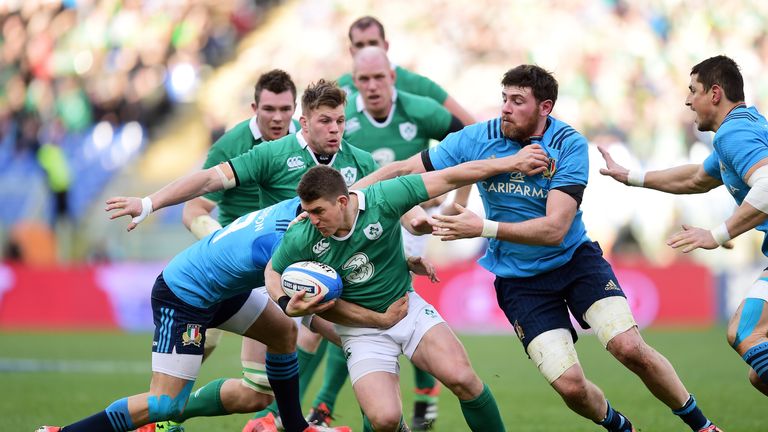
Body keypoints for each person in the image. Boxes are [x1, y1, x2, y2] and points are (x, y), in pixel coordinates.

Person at [352, 64, 722, 432]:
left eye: (517, 101)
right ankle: (621, 427)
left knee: (628, 348)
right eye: (504, 99)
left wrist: (482, 227)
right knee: (570, 386)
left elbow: (554, 230)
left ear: (545, 107)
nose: (505, 109)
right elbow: (403, 170)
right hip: (520, 282)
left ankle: (702, 426)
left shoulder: (568, 144)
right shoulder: (477, 137)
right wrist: (347, 194)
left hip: (575, 262)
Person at [37, 196, 409, 432]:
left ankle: (296, 427)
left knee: (282, 336)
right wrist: (368, 333)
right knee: (165, 404)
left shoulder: (297, 210)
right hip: (184, 295)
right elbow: (309, 314)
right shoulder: (283, 245)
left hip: (225, 291)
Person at [266, 148, 552, 432]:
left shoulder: (384, 198)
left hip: (407, 309)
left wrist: (511, 161)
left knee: (463, 378)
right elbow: (272, 271)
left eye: (318, 211)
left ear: (342, 201)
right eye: (307, 212)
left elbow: (451, 176)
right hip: (360, 332)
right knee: (384, 419)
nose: (312, 219)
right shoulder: (302, 233)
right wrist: (283, 302)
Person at [301, 45, 467, 430]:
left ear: (392, 72)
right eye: (363, 77)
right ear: (354, 79)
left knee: (395, 314)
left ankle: (418, 402)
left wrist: (449, 199)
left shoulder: (419, 103)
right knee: (340, 325)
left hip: (397, 222)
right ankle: (311, 409)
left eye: (379, 75)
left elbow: (469, 137)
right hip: (341, 227)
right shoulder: (338, 117)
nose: (372, 84)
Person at [599, 54, 768, 399]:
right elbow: (695, 178)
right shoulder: (745, 125)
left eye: (693, 91)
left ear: (715, 94)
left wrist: (717, 234)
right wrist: (630, 176)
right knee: (759, 374)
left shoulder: (732, 134)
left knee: (745, 331)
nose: (688, 100)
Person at [147, 69, 300, 432]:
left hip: (282, 260)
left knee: (267, 378)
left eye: (285, 109)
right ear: (254, 108)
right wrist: (226, 244)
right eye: (269, 109)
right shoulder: (232, 145)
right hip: (235, 267)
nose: (278, 118)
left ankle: (284, 419)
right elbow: (193, 210)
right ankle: (161, 418)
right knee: (197, 348)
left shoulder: (304, 144)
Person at [337, 16, 475, 127]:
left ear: (385, 46)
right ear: (351, 50)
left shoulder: (416, 84)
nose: (367, 50)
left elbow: (469, 126)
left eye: (373, 43)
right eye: (360, 45)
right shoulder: (340, 88)